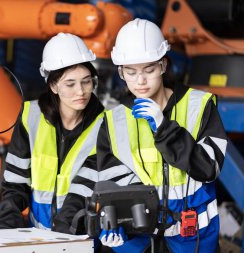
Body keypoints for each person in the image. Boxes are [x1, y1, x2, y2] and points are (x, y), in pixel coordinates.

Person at [97, 18, 227, 253]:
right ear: (121, 73)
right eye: (131, 72)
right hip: (139, 240)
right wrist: (112, 222)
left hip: (192, 238)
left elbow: (209, 168)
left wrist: (165, 129)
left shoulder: (200, 105)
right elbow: (112, 186)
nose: (141, 80)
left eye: (149, 69)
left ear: (163, 66)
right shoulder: (112, 121)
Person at [0, 33, 105, 230]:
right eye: (70, 84)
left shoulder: (104, 125)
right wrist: (7, 223)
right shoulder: (31, 117)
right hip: (37, 237)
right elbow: (15, 183)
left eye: (86, 81)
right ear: (54, 85)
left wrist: (64, 233)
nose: (80, 91)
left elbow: (87, 189)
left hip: (81, 237)